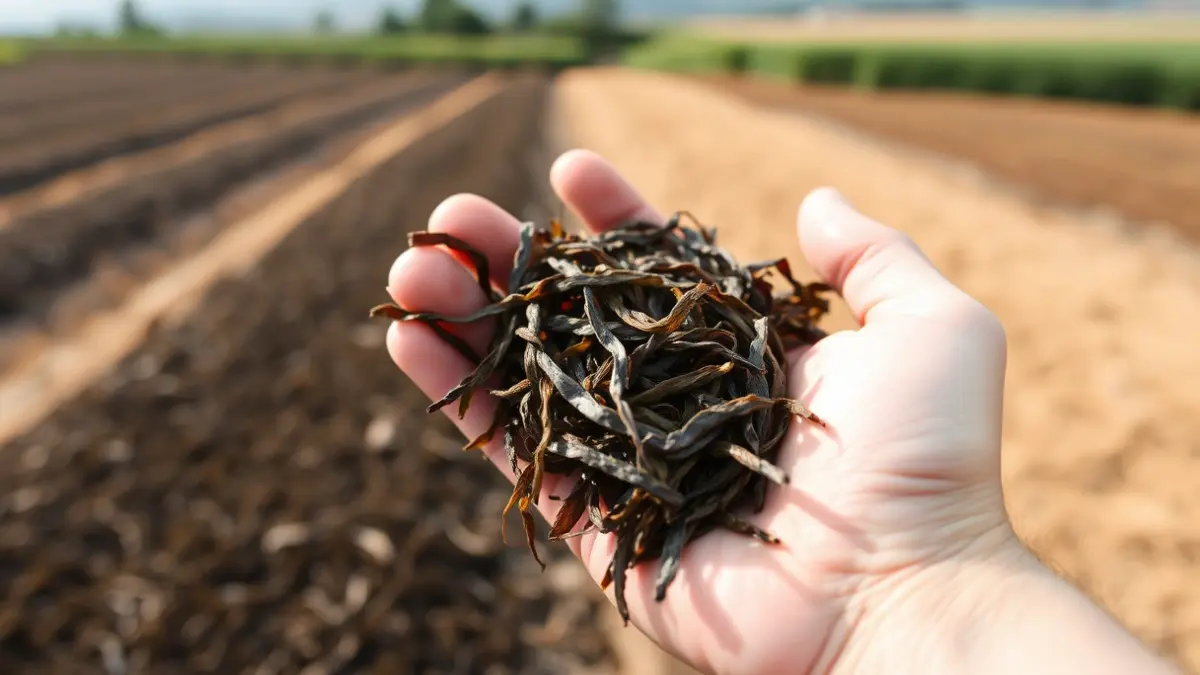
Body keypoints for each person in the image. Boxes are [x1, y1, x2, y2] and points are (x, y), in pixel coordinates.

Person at [383, 149, 1183, 675]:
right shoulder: (590, 336)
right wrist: (928, 594)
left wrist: (925, 578)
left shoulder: (735, 356)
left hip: (712, 448)